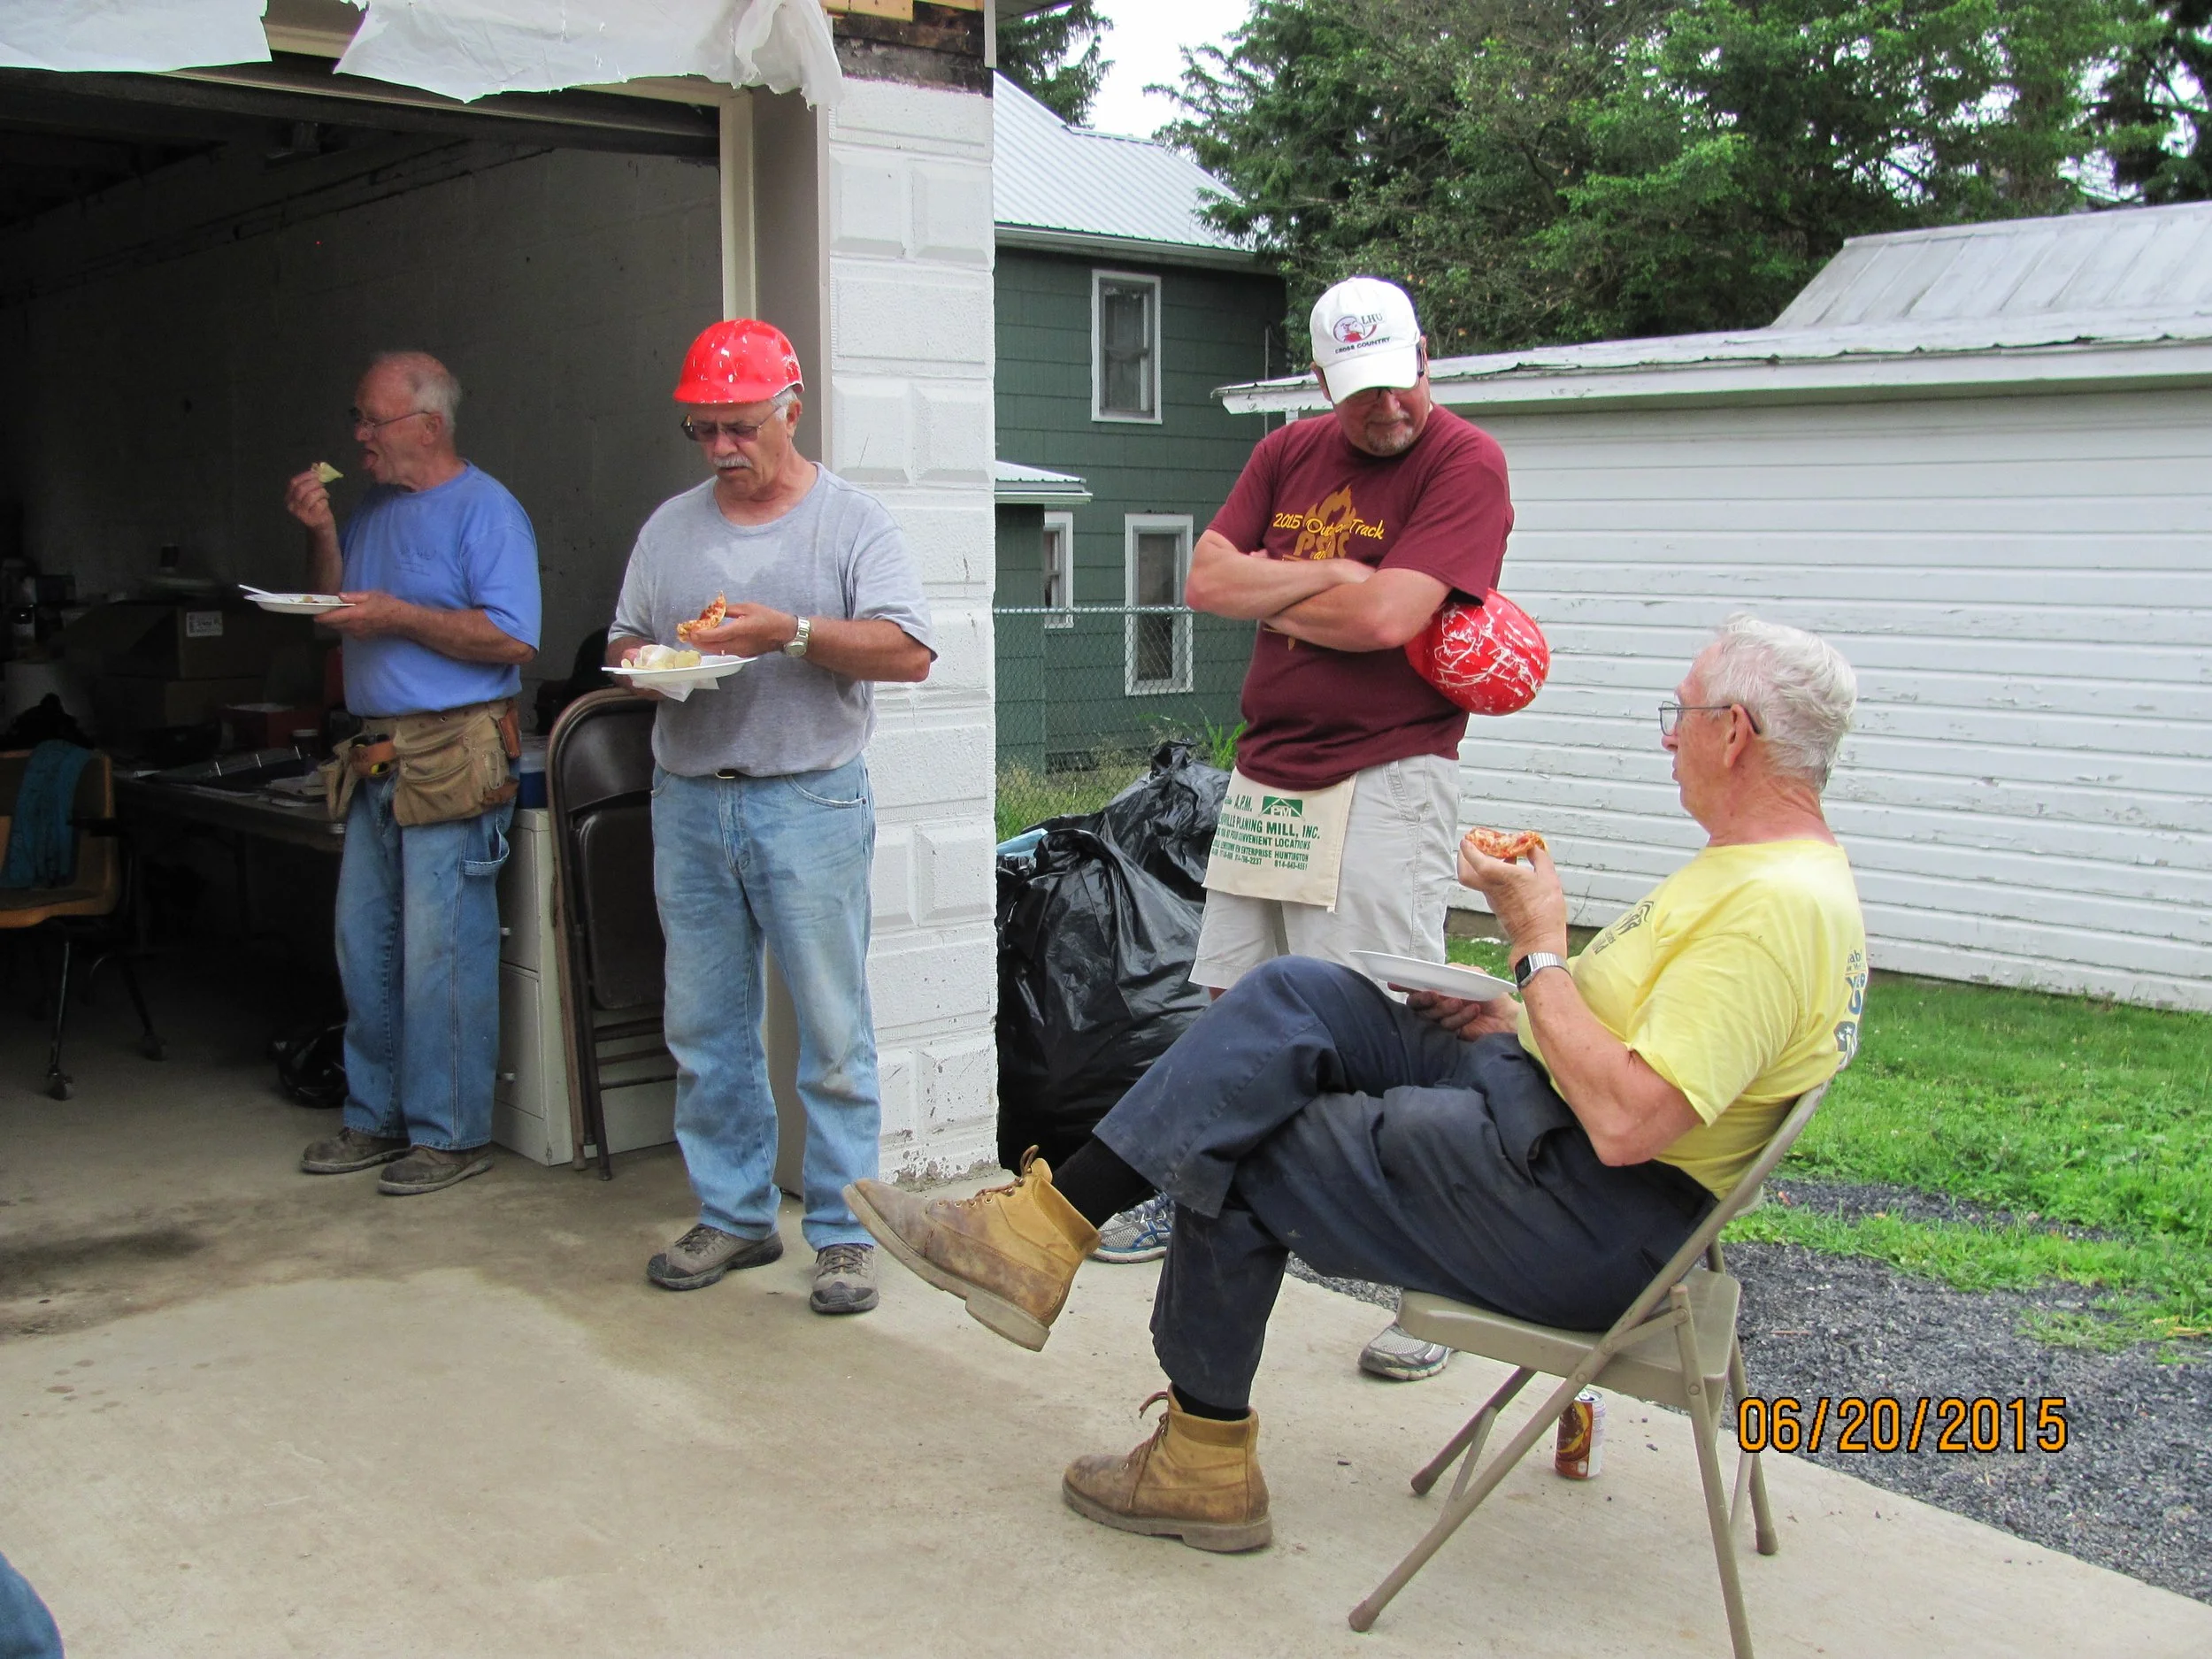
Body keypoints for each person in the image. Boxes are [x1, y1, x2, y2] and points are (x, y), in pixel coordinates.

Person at [849, 615, 1867, 1551]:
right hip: (1546, 1103)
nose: (1666, 737)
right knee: (1302, 992)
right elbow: (1636, 1054)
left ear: (1732, 734)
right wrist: (1516, 1013)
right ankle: (1042, 1231)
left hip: (1589, 1207)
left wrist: (1539, 949)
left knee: (1239, 1137)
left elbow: (1630, 1121)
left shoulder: (1773, 910)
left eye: (1677, 716)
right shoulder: (1751, 871)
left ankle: (1199, 1465)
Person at [1097, 275, 1515, 1387]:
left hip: (1385, 778)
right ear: (1326, 381)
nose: (1390, 408)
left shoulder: (1463, 463)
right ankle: (1190, 1198)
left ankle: (1438, 1287)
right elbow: (1201, 578)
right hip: (1270, 780)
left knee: (1385, 1029)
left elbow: (1389, 617)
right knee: (1237, 1016)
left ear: (1426, 356)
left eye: (1403, 380)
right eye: (1363, 391)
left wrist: (1277, 590)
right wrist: (1331, 572)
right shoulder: (1286, 454)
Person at [610, 319, 933, 1317]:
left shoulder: (851, 522)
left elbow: (910, 651)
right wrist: (647, 667)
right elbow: (624, 637)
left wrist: (785, 633)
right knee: (704, 1023)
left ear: (790, 409)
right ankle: (735, 1213)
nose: (719, 450)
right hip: (691, 797)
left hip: (810, 798)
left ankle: (841, 1233)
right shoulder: (669, 528)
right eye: (700, 431)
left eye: (738, 428)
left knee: (832, 1029)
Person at [289, 351, 541, 1195]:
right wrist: (324, 535)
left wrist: (399, 615)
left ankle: (449, 1132)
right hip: (375, 752)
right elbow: (332, 621)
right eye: (357, 418)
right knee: (368, 946)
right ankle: (375, 1116)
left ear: (427, 425)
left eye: (372, 419)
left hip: (453, 752)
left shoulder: (488, 510)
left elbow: (512, 638)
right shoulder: (370, 509)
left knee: (444, 951)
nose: (357, 436)